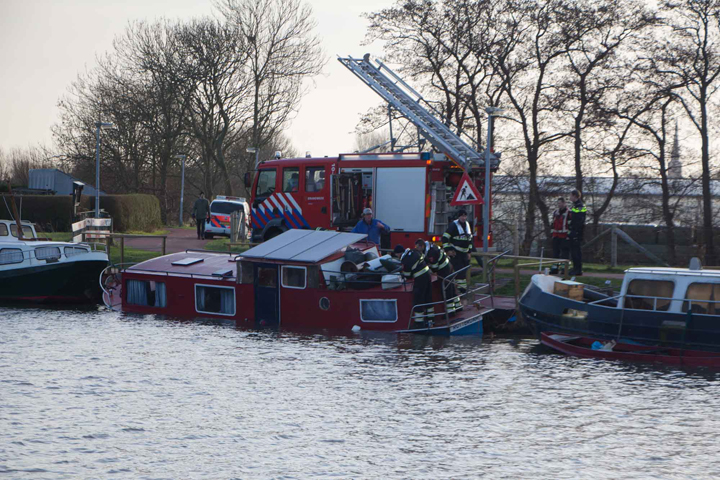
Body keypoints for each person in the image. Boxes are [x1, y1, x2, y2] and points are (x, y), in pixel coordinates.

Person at [416, 239, 460, 316]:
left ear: (422, 246)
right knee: (451, 287)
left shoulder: (431, 252)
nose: (417, 249)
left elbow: (435, 267)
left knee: (446, 289)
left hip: (444, 270)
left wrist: (429, 268)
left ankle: (451, 312)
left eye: (418, 247)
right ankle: (458, 306)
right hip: (447, 266)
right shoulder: (430, 247)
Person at [393, 244, 433, 326]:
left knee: (418, 298)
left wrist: (403, 274)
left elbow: (408, 275)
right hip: (428, 275)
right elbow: (425, 258)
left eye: (396, 254)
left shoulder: (405, 259)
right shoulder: (413, 251)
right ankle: (431, 318)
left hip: (420, 278)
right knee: (428, 296)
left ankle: (419, 322)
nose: (397, 256)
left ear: (399, 253)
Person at [442, 210, 475, 293]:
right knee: (459, 272)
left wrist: (469, 252)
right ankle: (461, 290)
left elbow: (470, 240)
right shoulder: (453, 225)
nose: (463, 218)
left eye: (465, 216)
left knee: (464, 271)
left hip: (465, 253)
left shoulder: (467, 225)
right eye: (462, 216)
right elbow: (445, 238)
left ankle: (461, 288)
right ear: (459, 217)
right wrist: (448, 250)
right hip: (456, 253)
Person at [568, 189, 587, 276]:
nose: (569, 197)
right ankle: (576, 268)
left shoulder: (579, 206)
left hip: (577, 232)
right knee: (574, 251)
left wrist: (575, 232)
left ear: (575, 196)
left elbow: (579, 221)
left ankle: (578, 269)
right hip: (574, 231)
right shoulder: (576, 206)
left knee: (576, 251)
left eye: (571, 195)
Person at [550, 197, 570, 273]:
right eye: (558, 203)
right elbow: (553, 224)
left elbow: (570, 225)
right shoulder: (555, 212)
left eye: (560, 203)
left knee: (565, 253)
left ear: (564, 203)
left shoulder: (569, 213)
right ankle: (555, 268)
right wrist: (552, 234)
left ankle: (564, 269)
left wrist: (568, 236)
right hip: (556, 235)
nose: (559, 205)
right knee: (555, 253)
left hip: (564, 236)